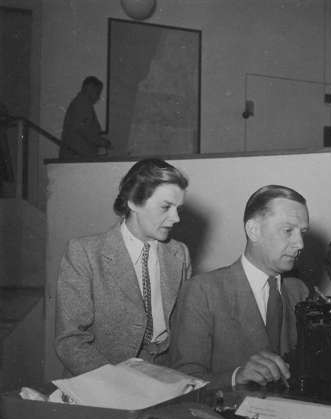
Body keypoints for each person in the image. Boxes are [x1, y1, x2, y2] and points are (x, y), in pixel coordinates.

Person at [55, 158, 191, 376]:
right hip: (102, 376)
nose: (175, 218)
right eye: (166, 207)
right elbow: (70, 340)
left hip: (165, 373)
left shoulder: (180, 253)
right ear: (133, 203)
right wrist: (117, 382)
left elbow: (183, 329)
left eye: (178, 208)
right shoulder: (85, 253)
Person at [170, 185, 310, 389]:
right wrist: (236, 377)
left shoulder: (299, 291)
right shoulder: (203, 291)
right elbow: (184, 379)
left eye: (302, 232)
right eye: (288, 230)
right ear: (254, 231)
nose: (300, 244)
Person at [59, 76, 111, 160]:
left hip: (77, 155)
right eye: (97, 92)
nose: (98, 97)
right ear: (89, 88)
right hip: (77, 156)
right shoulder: (83, 104)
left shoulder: (80, 102)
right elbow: (85, 130)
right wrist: (101, 142)